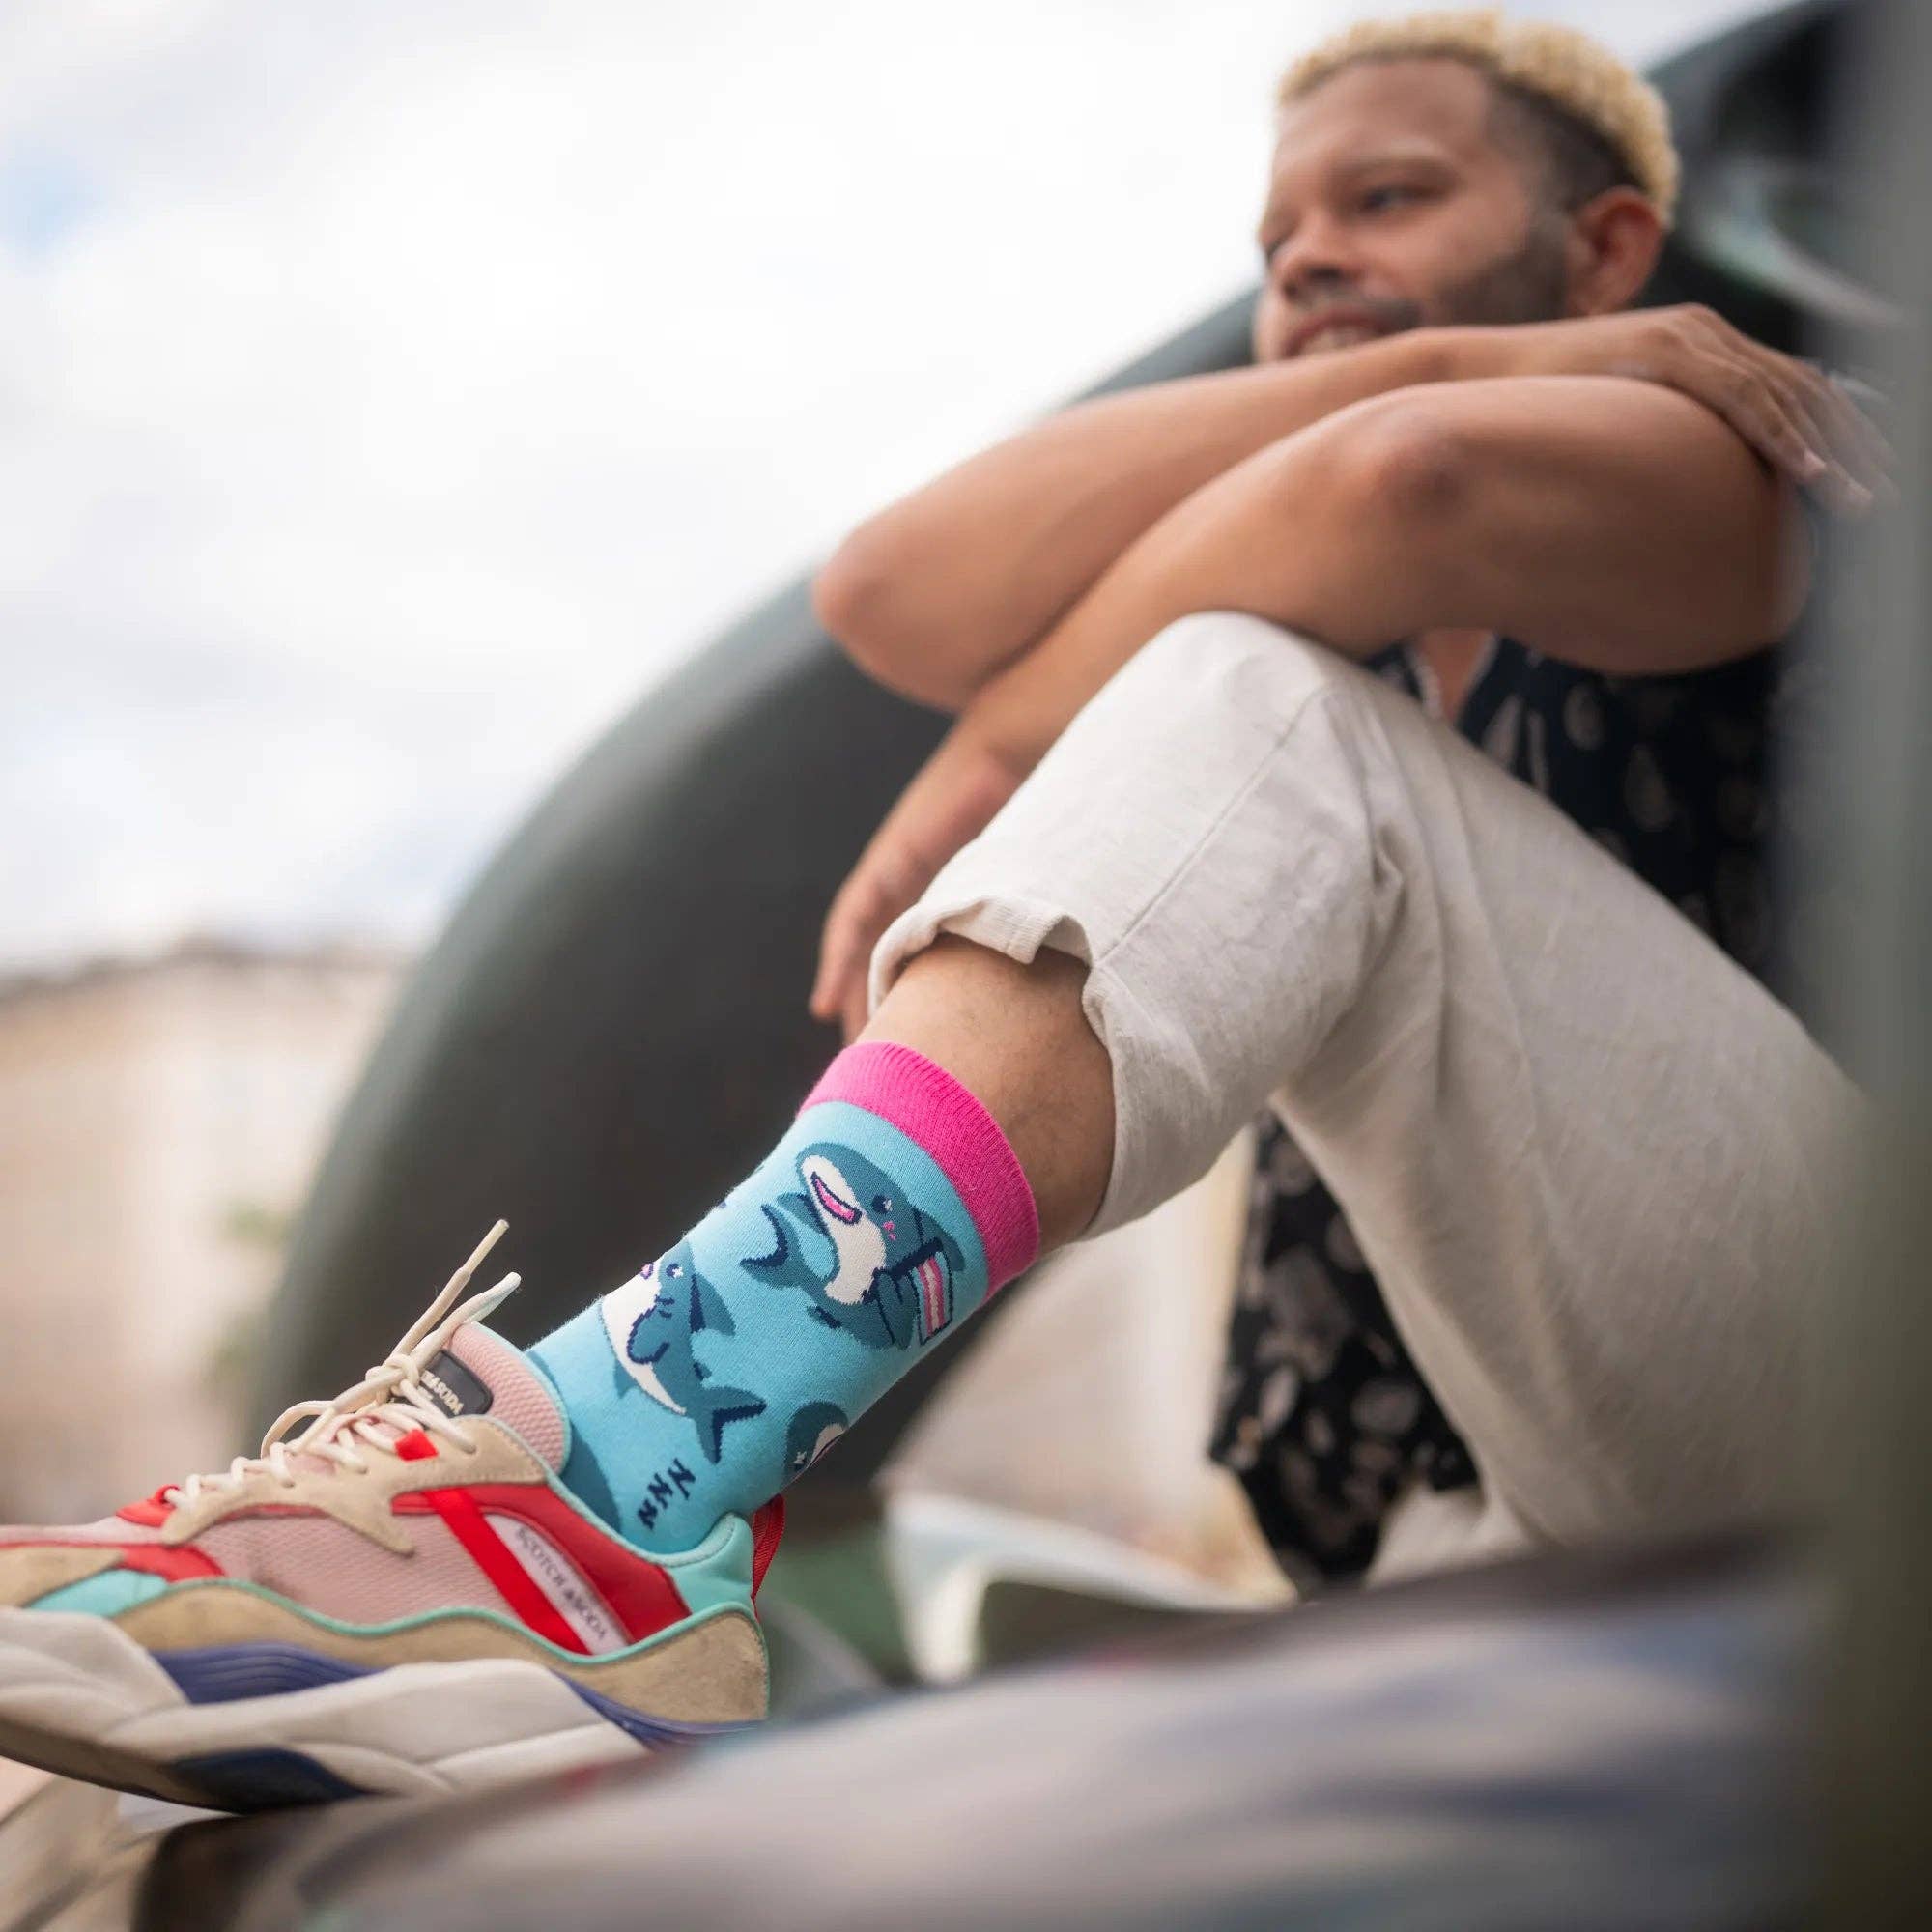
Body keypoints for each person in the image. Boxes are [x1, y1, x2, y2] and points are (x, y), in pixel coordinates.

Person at [0, 11, 1879, 1808]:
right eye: (1277, 241)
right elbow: (887, 586)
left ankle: (598, 1504)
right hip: (1499, 1539)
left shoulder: (1741, 456)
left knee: (1249, 688)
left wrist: (1004, 737)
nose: (1309, 258)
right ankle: (504, 1559)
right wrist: (1430, 355)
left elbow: (1411, 478)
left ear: (1605, 246)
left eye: (1387, 200)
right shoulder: (1360, 553)